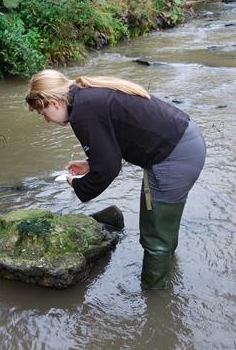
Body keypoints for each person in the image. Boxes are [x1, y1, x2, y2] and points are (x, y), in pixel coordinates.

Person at [25, 69, 206, 289]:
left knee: (154, 236)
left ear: (53, 103)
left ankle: (154, 299)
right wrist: (91, 163)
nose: (46, 120)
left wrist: (78, 183)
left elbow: (108, 170)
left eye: (42, 113)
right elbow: (117, 140)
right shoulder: (85, 94)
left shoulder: (82, 113)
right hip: (183, 142)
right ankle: (168, 272)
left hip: (174, 157)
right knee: (163, 223)